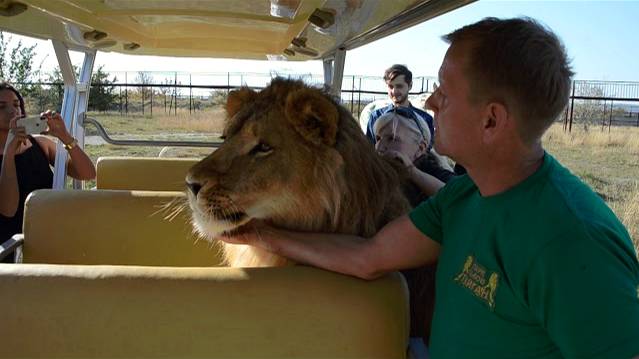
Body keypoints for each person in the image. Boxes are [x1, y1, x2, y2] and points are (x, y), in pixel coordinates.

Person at [220, 17, 639, 359]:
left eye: (444, 91)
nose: (430, 102)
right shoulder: (465, 195)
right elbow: (369, 256)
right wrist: (263, 234)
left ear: (491, 121)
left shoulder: (572, 243)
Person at [0, 81, 96, 262]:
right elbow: (8, 209)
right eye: (1, 107)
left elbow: (88, 173)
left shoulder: (40, 144)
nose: (13, 112)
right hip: (10, 247)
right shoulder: (8, 155)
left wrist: (65, 136)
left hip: (50, 235)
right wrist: (9, 152)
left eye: (16, 104)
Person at [365, 64, 434, 148]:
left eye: (399, 86)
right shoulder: (376, 117)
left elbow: (427, 153)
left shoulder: (425, 120)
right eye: (390, 86)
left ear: (410, 86)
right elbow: (369, 149)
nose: (394, 91)